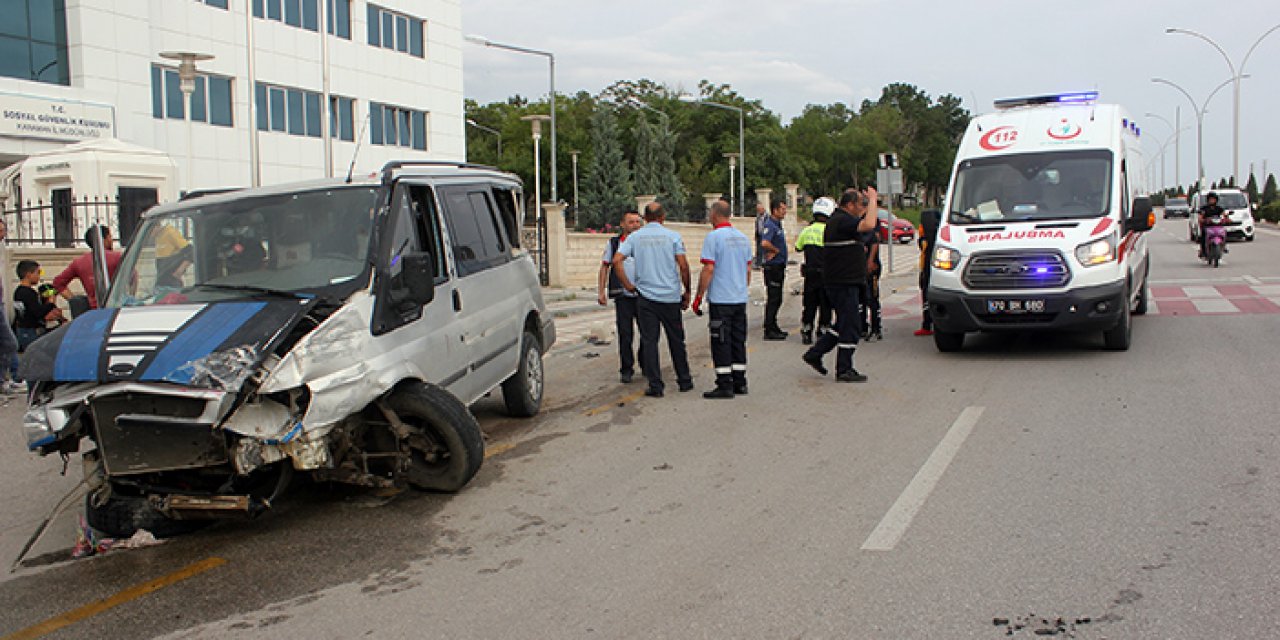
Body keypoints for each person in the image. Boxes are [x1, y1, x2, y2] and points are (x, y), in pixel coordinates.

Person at [613, 201, 694, 397]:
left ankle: (656, 385)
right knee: (676, 340)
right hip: (670, 296)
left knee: (650, 341)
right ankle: (684, 380)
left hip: (646, 297)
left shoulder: (635, 238)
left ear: (645, 218)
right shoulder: (673, 237)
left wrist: (628, 285)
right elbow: (683, 266)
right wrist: (687, 291)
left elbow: (616, 261)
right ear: (663, 217)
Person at [802, 186, 879, 383]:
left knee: (844, 322)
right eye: (860, 204)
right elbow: (869, 224)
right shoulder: (841, 221)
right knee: (851, 325)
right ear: (849, 204)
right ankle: (844, 368)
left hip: (846, 281)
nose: (862, 208)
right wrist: (873, 199)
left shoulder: (842, 221)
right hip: (842, 282)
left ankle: (815, 353)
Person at [692, 200, 753, 399]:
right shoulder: (743, 238)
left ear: (715, 214)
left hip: (721, 299)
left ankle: (724, 384)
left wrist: (699, 296)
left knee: (721, 341)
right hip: (739, 298)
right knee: (738, 340)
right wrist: (742, 288)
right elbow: (748, 269)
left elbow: (709, 268)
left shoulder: (714, 237)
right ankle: (740, 382)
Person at [597, 209, 646, 383]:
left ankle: (645, 363)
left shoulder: (644, 243)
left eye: (637, 222)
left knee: (647, 333)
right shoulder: (614, 243)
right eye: (631, 222)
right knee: (625, 334)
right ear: (623, 224)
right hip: (623, 296)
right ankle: (626, 369)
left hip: (643, 295)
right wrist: (601, 291)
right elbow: (605, 267)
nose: (635, 225)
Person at [53, 225, 123, 311]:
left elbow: (58, 283)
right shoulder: (117, 257)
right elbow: (132, 278)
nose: (111, 240)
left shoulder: (79, 262)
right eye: (110, 237)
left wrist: (74, 300)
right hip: (117, 307)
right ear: (105, 239)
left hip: (94, 310)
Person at [795, 197, 834, 345]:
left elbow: (798, 247)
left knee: (809, 304)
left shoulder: (807, 231)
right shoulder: (830, 231)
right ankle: (823, 329)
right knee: (825, 304)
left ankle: (806, 329)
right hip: (827, 273)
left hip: (810, 273)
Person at [13, 260, 62, 352]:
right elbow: (38, 312)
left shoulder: (18, 291)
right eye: (38, 273)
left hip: (23, 331)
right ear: (28, 274)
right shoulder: (29, 293)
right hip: (30, 332)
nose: (39, 276)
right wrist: (51, 302)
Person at [759, 198, 789, 340]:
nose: (785, 211)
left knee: (777, 299)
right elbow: (764, 242)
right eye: (782, 209)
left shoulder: (777, 225)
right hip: (773, 267)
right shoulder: (770, 225)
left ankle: (773, 325)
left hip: (779, 266)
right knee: (774, 298)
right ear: (775, 210)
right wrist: (775, 250)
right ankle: (769, 329)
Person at [914, 209, 942, 336]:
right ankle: (933, 323)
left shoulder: (926, 237)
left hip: (927, 267)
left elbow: (922, 247)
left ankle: (927, 324)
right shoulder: (938, 234)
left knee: (926, 293)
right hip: (934, 266)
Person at [859, 210, 884, 342]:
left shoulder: (871, 222)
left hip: (871, 268)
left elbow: (875, 240)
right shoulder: (856, 221)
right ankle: (862, 327)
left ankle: (876, 327)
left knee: (872, 298)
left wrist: (870, 261)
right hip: (859, 268)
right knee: (860, 299)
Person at [1197, 192, 1225, 260]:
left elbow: (1224, 215)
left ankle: (1223, 246)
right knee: (1203, 236)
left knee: (1224, 233)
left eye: (1213, 199)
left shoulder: (1219, 208)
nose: (1212, 200)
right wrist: (1202, 219)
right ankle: (1203, 251)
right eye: (1210, 199)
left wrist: (1226, 219)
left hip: (1217, 226)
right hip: (1208, 227)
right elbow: (1200, 216)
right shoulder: (1204, 208)